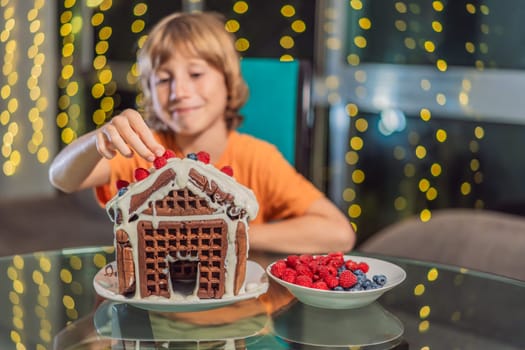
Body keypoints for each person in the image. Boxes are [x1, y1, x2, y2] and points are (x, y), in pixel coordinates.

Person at [49, 11, 355, 254]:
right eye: (163, 80)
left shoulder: (258, 158)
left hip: (240, 312)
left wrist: (226, 231)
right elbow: (62, 177)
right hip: (150, 311)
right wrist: (97, 139)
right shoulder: (145, 149)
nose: (179, 91)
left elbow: (339, 234)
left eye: (196, 74)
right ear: (149, 93)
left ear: (228, 81)